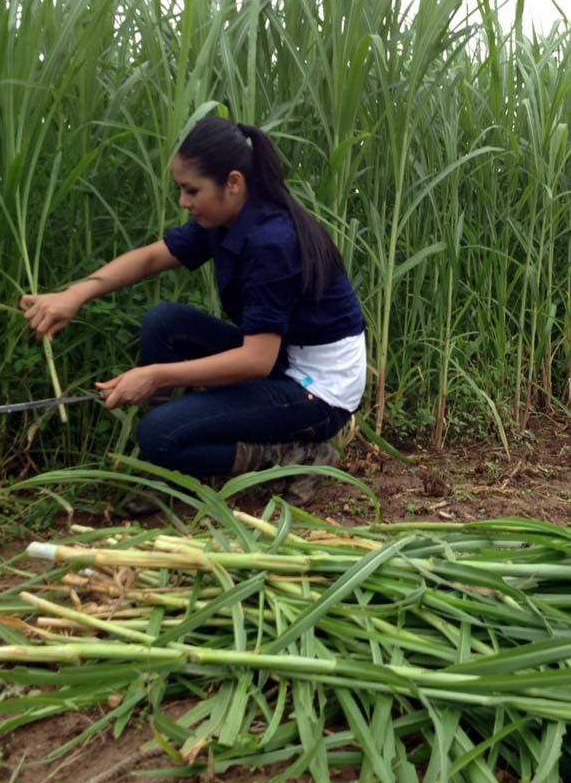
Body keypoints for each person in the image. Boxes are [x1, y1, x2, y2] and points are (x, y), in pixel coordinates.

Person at [20, 117, 366, 505]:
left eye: (191, 190)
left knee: (157, 435)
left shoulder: (272, 242)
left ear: (233, 183)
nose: (183, 202)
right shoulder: (227, 217)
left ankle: (295, 455)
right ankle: (172, 470)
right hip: (285, 359)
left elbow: (255, 359)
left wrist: (154, 376)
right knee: (164, 323)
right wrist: (76, 294)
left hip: (318, 393)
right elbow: (152, 258)